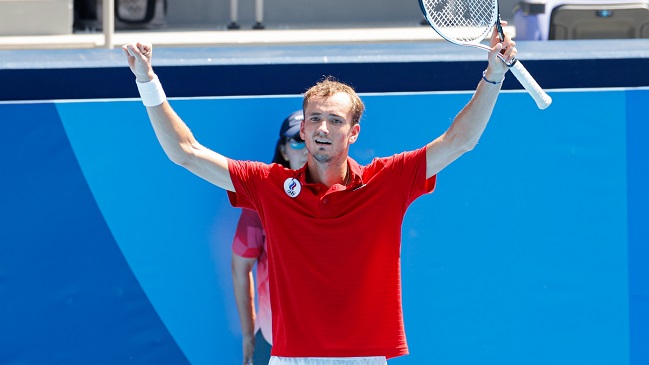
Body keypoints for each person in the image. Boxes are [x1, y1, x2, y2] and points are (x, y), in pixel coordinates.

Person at [122, 23, 517, 365]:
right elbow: (185, 152)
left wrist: (493, 77)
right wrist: (147, 81)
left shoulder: (388, 180)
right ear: (304, 131)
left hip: (365, 356)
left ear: (354, 132)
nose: (323, 128)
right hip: (292, 357)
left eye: (334, 120)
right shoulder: (269, 185)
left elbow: (459, 140)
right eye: (314, 119)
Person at [231, 110, 307, 365]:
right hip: (274, 342)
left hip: (332, 345)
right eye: (297, 140)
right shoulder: (261, 201)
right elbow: (240, 268)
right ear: (284, 150)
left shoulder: (346, 197)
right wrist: (247, 333)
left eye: (312, 141)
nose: (306, 149)